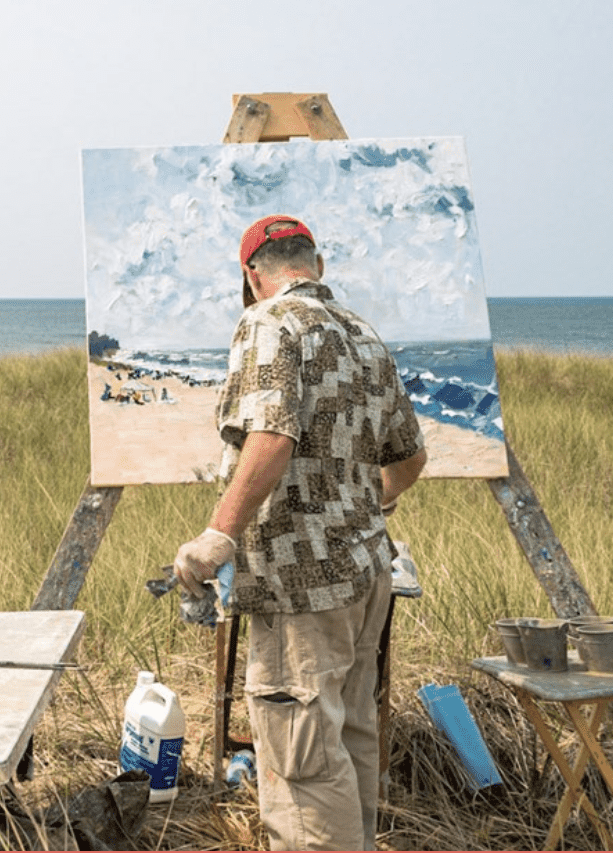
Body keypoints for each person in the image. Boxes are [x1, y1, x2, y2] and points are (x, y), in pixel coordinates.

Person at [174, 214, 427, 851]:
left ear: (253, 275)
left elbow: (272, 438)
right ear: (315, 264)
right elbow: (410, 459)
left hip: (300, 582)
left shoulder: (268, 322)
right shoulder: (364, 334)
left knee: (303, 768)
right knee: (348, 737)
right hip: (366, 570)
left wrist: (218, 536)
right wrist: (368, 503)